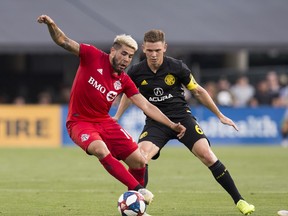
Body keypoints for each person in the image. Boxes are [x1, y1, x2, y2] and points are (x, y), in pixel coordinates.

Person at [37, 16, 186, 212]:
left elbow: (147, 106)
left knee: (139, 160)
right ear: (113, 50)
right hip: (79, 122)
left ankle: (134, 208)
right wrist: (51, 25)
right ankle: (139, 191)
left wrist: (171, 124)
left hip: (104, 122)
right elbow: (63, 41)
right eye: (123, 54)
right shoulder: (91, 55)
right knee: (100, 148)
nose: (126, 60)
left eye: (130, 56)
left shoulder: (124, 80)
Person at [114, 29, 255, 215]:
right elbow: (128, 95)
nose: (154, 55)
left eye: (157, 50)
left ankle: (240, 201)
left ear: (164, 47)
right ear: (143, 49)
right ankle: (136, 207)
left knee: (207, 155)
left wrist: (219, 115)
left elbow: (198, 91)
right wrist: (116, 117)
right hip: (156, 123)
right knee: (140, 158)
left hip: (182, 118)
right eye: (149, 51)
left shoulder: (177, 67)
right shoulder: (136, 71)